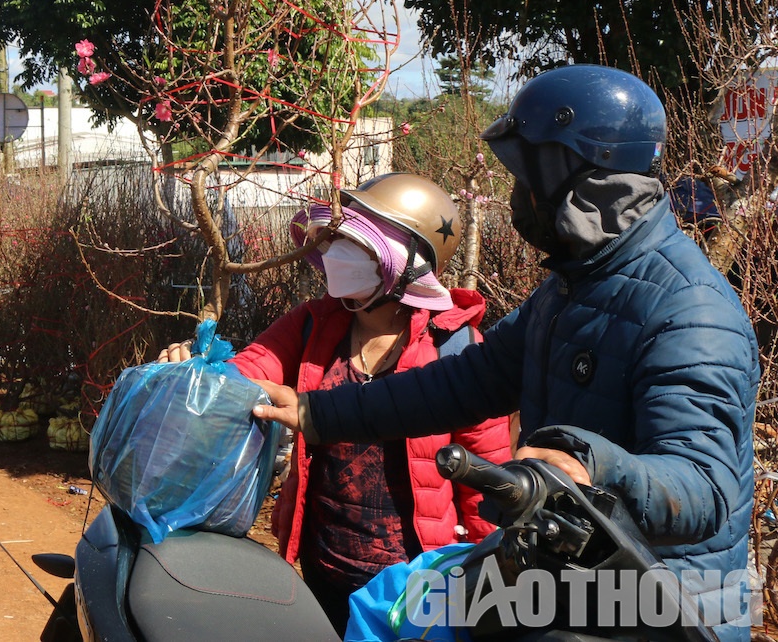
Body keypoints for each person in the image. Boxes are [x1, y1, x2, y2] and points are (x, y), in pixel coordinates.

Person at [252, 65, 759, 641]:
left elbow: (704, 487)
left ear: (586, 182)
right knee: (386, 613)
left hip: (651, 607)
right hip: (570, 577)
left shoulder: (689, 312)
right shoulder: (574, 288)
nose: (518, 197)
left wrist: (589, 466)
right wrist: (318, 412)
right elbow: (462, 382)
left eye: (528, 178)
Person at [160, 173, 509, 632]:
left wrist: (494, 590)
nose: (337, 254)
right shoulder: (313, 324)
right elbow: (250, 368)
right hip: (320, 564)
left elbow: (487, 480)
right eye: (338, 239)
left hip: (414, 584)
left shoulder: (456, 349)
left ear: (407, 265)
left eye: (358, 246)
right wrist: (197, 369)